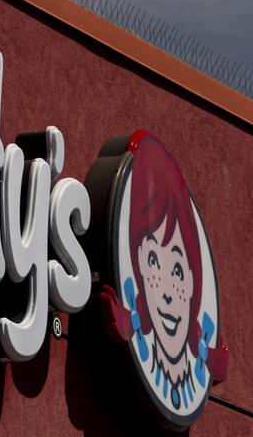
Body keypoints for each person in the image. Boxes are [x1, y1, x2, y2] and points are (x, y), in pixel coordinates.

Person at [101, 131, 228, 411]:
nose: (168, 294)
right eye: (155, 263)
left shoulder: (195, 370)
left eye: (179, 271)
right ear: (139, 267)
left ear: (195, 281)